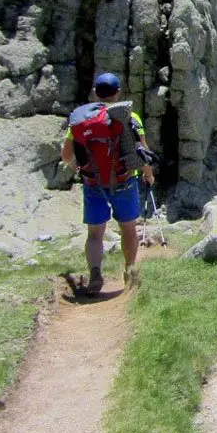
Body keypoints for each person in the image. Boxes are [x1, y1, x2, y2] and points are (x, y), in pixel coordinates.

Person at [61, 73, 155, 294]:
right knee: (129, 229)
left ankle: (95, 275)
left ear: (95, 93)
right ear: (118, 93)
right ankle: (129, 271)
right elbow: (143, 151)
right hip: (125, 180)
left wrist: (76, 163)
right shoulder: (129, 117)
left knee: (95, 234)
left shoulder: (80, 119)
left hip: (93, 183)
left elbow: (66, 155)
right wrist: (148, 174)